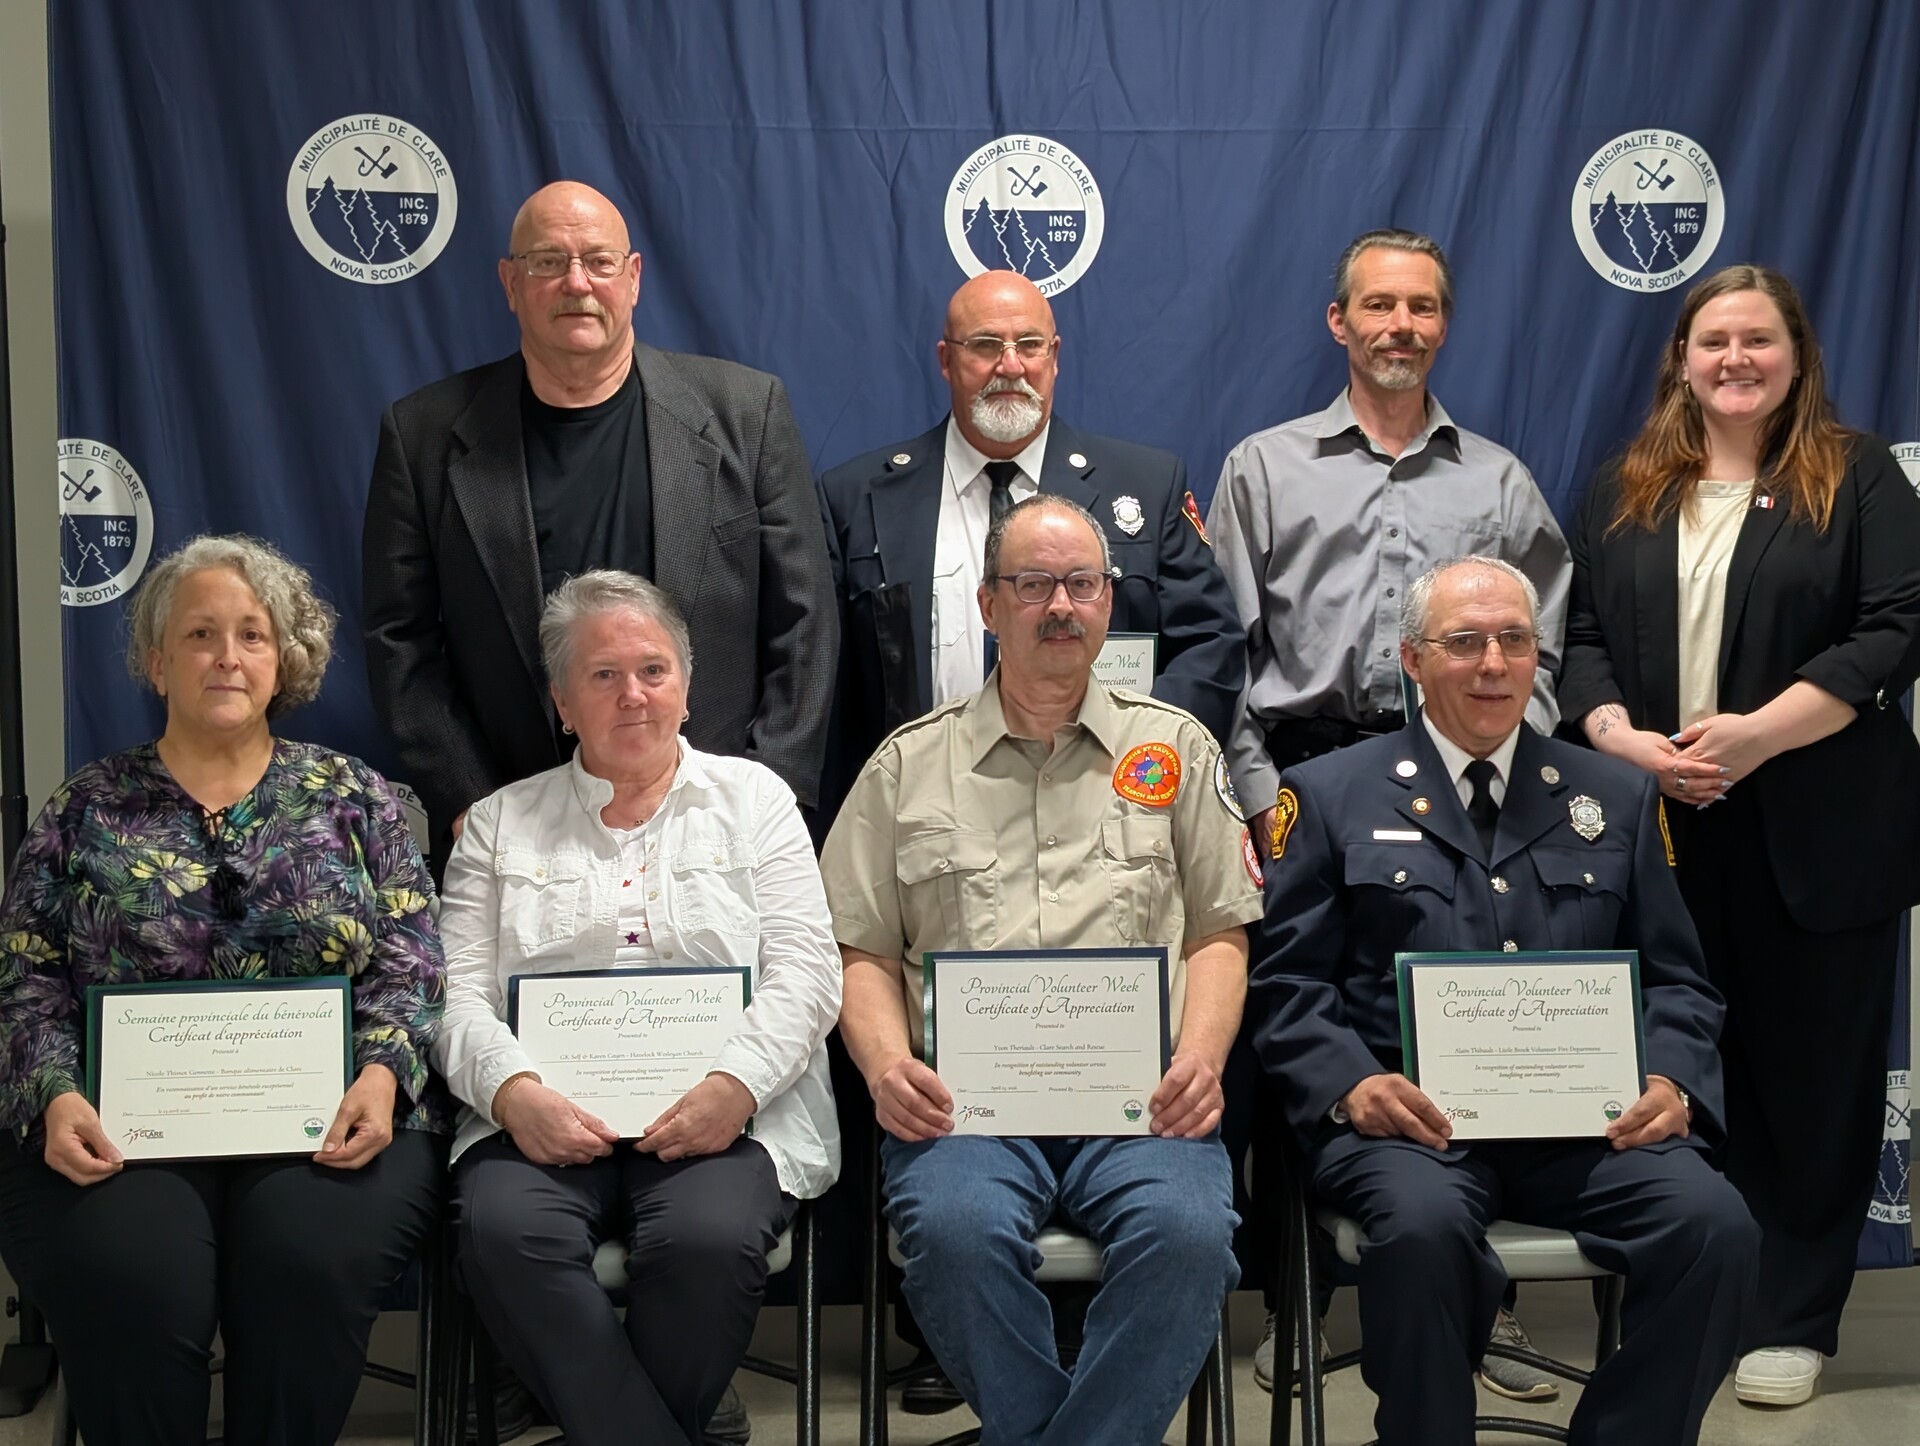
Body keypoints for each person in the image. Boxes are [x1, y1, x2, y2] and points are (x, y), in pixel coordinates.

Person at [1251, 556, 1758, 1446]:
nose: (1494, 664)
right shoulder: (1329, 795)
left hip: (1585, 1128)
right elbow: (1287, 985)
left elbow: (1678, 978)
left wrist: (1673, 1081)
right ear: (1412, 659)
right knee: (1417, 1232)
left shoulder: (1618, 796)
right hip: (1412, 1124)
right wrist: (1352, 1086)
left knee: (1716, 1228)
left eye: (1514, 641)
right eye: (1465, 642)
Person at [1206, 228, 1571, 1397]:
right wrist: (1267, 809)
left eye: (1421, 308)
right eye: (1379, 306)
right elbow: (1226, 660)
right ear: (1339, 323)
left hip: (1471, 792)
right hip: (1308, 786)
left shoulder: (1499, 478)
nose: (1400, 326)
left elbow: (1542, 657)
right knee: (1297, 1043)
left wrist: (1511, 793)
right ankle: (1298, 1304)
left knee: (1476, 1032)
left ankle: (1483, 1304)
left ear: (1442, 326)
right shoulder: (1265, 466)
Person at [822, 495, 1261, 1446]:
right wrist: (886, 1067)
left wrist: (1203, 1060)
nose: (1060, 605)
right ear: (987, 605)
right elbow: (857, 948)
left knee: (1189, 1240)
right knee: (953, 1238)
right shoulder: (905, 766)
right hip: (966, 1113)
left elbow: (1222, 931)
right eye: (1032, 585)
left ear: (1109, 603)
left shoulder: (1176, 750)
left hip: (1143, 1105)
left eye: (1082, 584)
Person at [1560, 264, 1920, 1408]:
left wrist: (1758, 736)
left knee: (1812, 1084)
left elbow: (1896, 628)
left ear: (1797, 357)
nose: (1734, 360)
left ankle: (1794, 1318)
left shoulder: (1855, 476)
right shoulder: (1627, 486)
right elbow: (1576, 641)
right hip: (1662, 827)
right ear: (1680, 356)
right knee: (1681, 1074)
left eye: (1758, 341)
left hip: (1821, 834)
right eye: (1713, 340)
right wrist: (1620, 737)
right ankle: (1692, 1305)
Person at [0, 535, 449, 1446]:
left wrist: (383, 1077)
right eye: (201, 633)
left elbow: (413, 958)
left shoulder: (354, 798)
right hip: (118, 1130)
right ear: (156, 659)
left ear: (285, 660)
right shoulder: (85, 806)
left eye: (252, 634)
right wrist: (54, 1095)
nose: (227, 656)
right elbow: (26, 972)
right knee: (136, 1274)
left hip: (329, 1121)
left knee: (307, 1263)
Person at [434, 570, 842, 1446]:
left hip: (728, 1112)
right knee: (504, 1234)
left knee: (706, 1242)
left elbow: (806, 973)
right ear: (561, 700)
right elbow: (455, 996)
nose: (633, 695)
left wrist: (735, 1085)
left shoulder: (757, 803)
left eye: (653, 671)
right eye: (603, 675)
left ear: (687, 689)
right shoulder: (499, 824)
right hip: (542, 1119)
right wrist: (513, 1094)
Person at [364, 180, 837, 872]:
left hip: (719, 833)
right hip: (517, 834)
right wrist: (468, 801)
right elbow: (397, 640)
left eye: (598, 261)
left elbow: (806, 623)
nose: (576, 283)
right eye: (548, 262)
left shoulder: (746, 412)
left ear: (635, 277)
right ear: (510, 281)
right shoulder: (424, 435)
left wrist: (771, 798)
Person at [818, 269, 1244, 819]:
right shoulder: (857, 498)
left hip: (1106, 805)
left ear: (1055, 356)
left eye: (1029, 345)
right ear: (946, 360)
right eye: (986, 346)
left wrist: (1141, 756)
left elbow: (1213, 645)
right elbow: (825, 683)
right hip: (921, 813)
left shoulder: (1142, 485)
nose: (1011, 366)